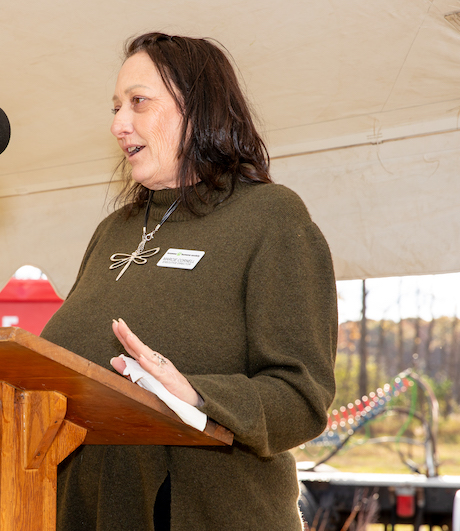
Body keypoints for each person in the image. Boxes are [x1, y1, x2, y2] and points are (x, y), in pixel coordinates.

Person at [40, 32, 337, 530]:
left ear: (200, 110)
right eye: (116, 107)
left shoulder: (271, 218)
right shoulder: (113, 231)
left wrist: (196, 396)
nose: (118, 124)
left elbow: (301, 398)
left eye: (138, 102)